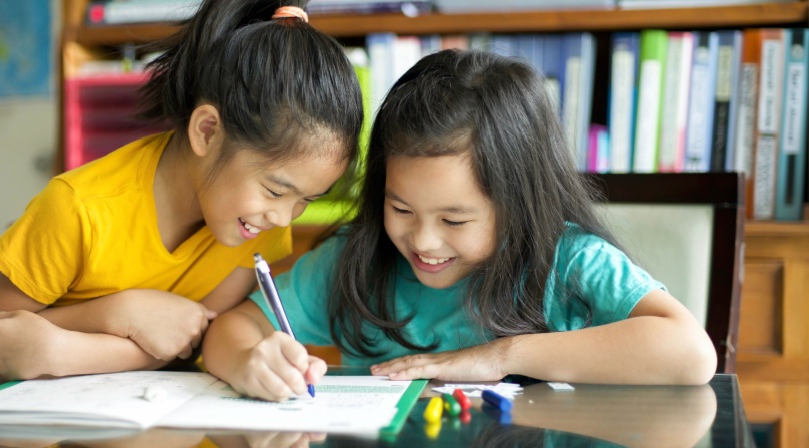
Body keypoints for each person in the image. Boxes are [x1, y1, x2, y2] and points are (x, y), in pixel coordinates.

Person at [202, 49, 717, 402]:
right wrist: (250, 362)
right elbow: (232, 327)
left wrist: (499, 356)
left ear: (519, 203)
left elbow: (692, 355)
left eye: (455, 219)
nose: (423, 241)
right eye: (400, 209)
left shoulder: (570, 263)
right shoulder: (355, 262)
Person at [0, 0, 363, 380]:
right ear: (207, 132)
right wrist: (120, 312)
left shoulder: (256, 223)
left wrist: (61, 352)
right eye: (276, 191)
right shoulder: (78, 209)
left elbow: (190, 343)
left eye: (306, 201)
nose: (283, 217)